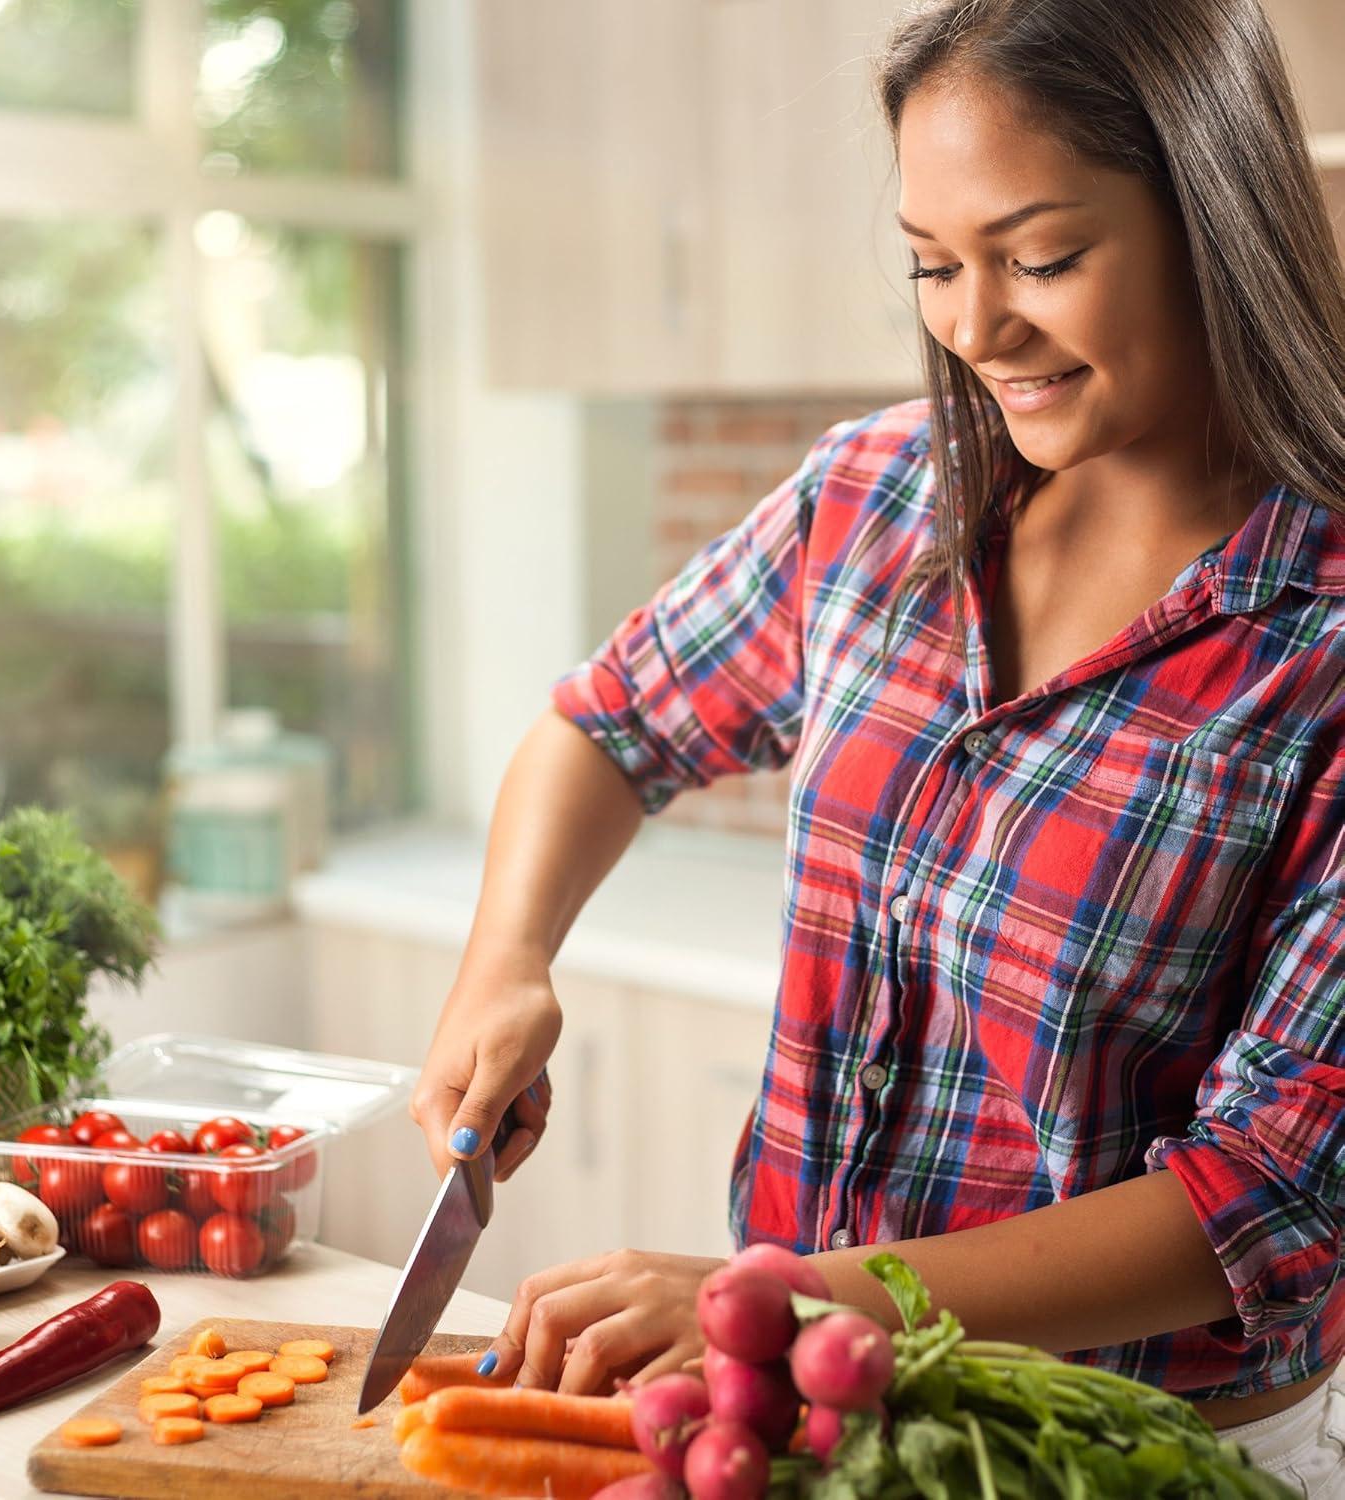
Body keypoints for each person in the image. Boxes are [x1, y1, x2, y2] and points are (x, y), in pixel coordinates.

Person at [410, 0, 1345, 1489]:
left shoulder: (1322, 642)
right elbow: (608, 724)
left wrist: (811, 1301)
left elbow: (1274, 1192)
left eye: (1041, 257)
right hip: (809, 1416)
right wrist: (504, 962)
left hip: (1143, 1455)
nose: (974, 326)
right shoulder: (874, 500)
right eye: (933, 262)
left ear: (1211, 215)